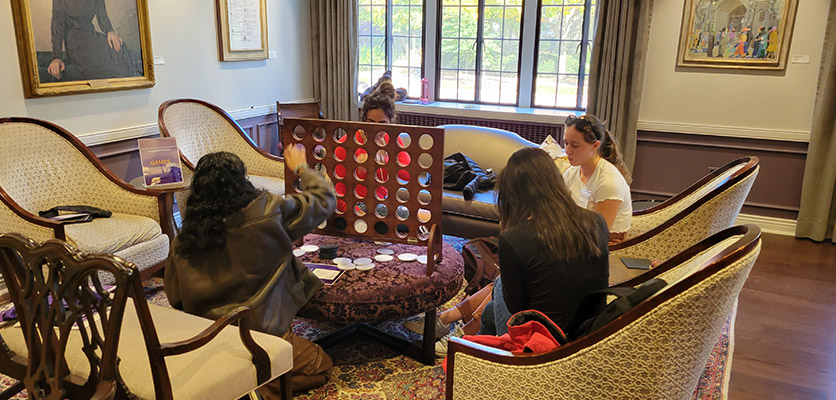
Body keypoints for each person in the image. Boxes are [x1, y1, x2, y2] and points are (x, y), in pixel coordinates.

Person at [164, 149, 336, 397]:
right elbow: (323, 200)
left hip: (207, 338)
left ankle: (230, 380)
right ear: (243, 180)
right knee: (322, 365)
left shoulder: (183, 239)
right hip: (260, 335)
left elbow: (174, 297)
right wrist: (301, 168)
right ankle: (251, 389)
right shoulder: (268, 212)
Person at [406, 148, 610, 353]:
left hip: (543, 347)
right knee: (488, 313)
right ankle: (473, 349)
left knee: (500, 285)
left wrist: (508, 235)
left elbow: (516, 309)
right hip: (589, 336)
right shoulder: (596, 222)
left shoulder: (515, 239)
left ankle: (461, 336)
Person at [562, 114, 632, 244]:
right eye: (566, 143)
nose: (568, 151)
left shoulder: (609, 182)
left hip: (603, 246)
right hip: (577, 238)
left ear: (595, 146)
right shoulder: (572, 172)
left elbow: (598, 235)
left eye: (575, 145)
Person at [48, 0, 138, 81]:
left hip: (91, 34)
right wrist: (57, 57)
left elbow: (102, 15)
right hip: (75, 41)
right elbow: (57, 24)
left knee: (120, 47)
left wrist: (109, 31)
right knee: (103, 63)